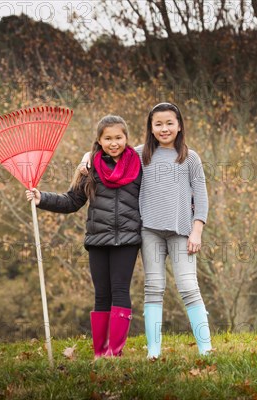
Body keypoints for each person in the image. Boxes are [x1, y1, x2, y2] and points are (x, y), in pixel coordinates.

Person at [79, 103, 212, 359]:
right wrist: (86, 156)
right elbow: (108, 150)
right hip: (149, 231)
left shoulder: (190, 158)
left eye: (169, 123)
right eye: (158, 124)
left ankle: (205, 347)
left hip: (182, 231)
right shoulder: (139, 155)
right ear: (150, 128)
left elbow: (202, 198)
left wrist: (197, 231)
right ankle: (153, 350)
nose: (164, 129)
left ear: (179, 125)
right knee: (153, 287)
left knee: (188, 286)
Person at [25, 115, 142, 358]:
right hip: (97, 240)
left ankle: (115, 352)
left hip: (127, 240)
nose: (114, 143)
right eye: (107, 138)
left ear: (126, 138)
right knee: (101, 294)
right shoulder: (90, 169)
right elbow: (72, 201)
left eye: (118, 137)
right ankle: (100, 352)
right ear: (99, 140)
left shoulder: (139, 165)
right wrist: (41, 198)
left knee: (120, 290)